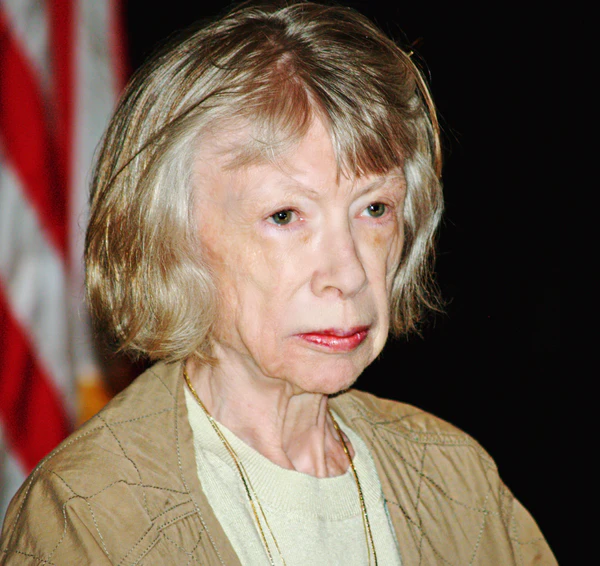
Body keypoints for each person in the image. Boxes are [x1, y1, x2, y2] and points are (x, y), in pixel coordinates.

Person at [0, 2, 556, 564]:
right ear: (171, 236)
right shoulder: (88, 515)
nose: (348, 274)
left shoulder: (456, 479)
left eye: (374, 209)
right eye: (285, 216)